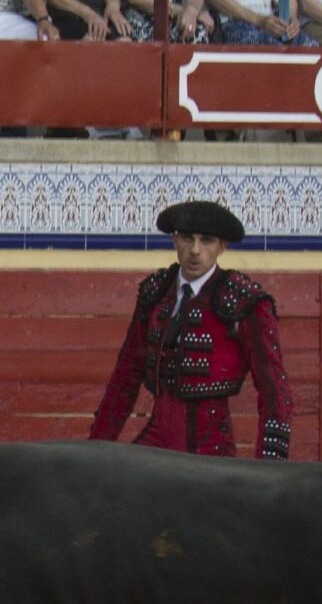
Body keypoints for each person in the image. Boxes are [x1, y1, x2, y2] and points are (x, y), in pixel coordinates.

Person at [89, 198, 293, 462]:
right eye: (187, 238)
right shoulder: (156, 291)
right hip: (155, 445)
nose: (195, 250)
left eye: (206, 240)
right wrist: (95, 451)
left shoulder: (245, 301)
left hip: (211, 453)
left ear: (222, 246)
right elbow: (125, 378)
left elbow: (275, 389)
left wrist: (271, 468)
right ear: (175, 241)